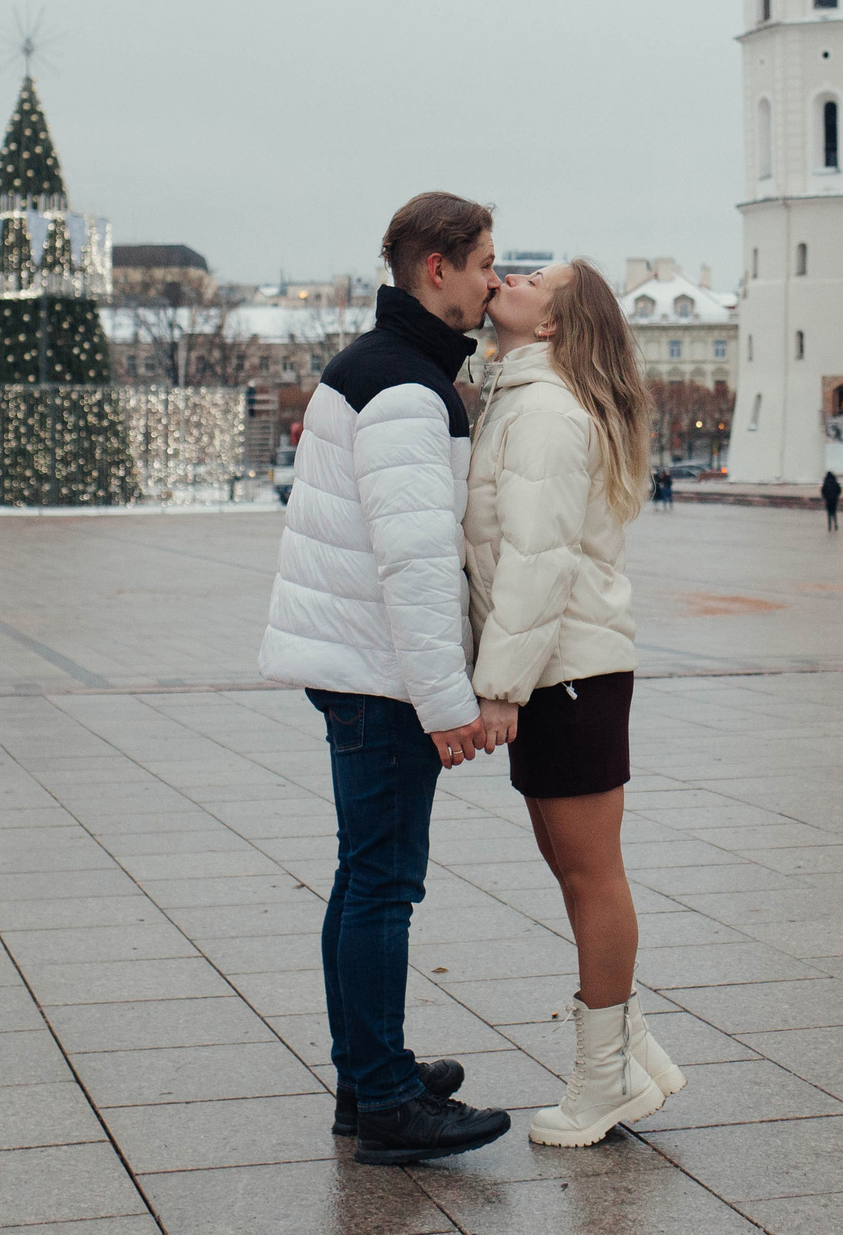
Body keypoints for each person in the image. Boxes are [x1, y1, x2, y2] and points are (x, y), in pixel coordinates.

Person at [259, 192, 512, 1166]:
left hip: (356, 664)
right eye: (486, 262)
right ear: (437, 268)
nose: (495, 280)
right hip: (381, 674)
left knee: (360, 877)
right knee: (381, 886)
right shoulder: (408, 388)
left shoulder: (371, 366)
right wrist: (447, 704)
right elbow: (414, 566)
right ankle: (388, 1105)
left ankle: (367, 1074)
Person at [465, 259, 683, 1145]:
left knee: (592, 874)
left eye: (527, 280)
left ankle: (602, 1082)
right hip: (563, 669)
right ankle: (628, 1048)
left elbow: (538, 560)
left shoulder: (548, 412)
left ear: (552, 326)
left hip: (568, 672)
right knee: (571, 866)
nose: (505, 277)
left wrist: (499, 690)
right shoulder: (526, 391)